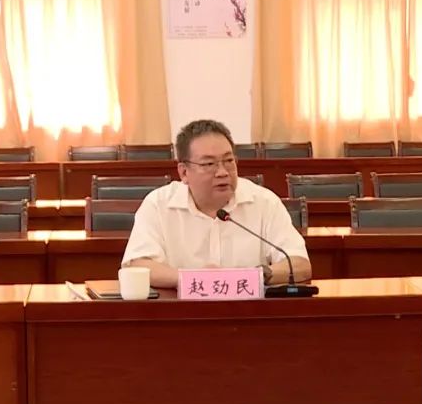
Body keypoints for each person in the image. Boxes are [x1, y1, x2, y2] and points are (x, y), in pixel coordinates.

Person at [122, 119, 312, 288]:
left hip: (249, 311)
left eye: (228, 161)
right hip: (181, 311)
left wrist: (253, 276)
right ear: (184, 172)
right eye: (209, 164)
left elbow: (299, 265)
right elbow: (138, 265)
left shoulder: (264, 202)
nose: (222, 172)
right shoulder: (158, 204)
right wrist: (194, 279)